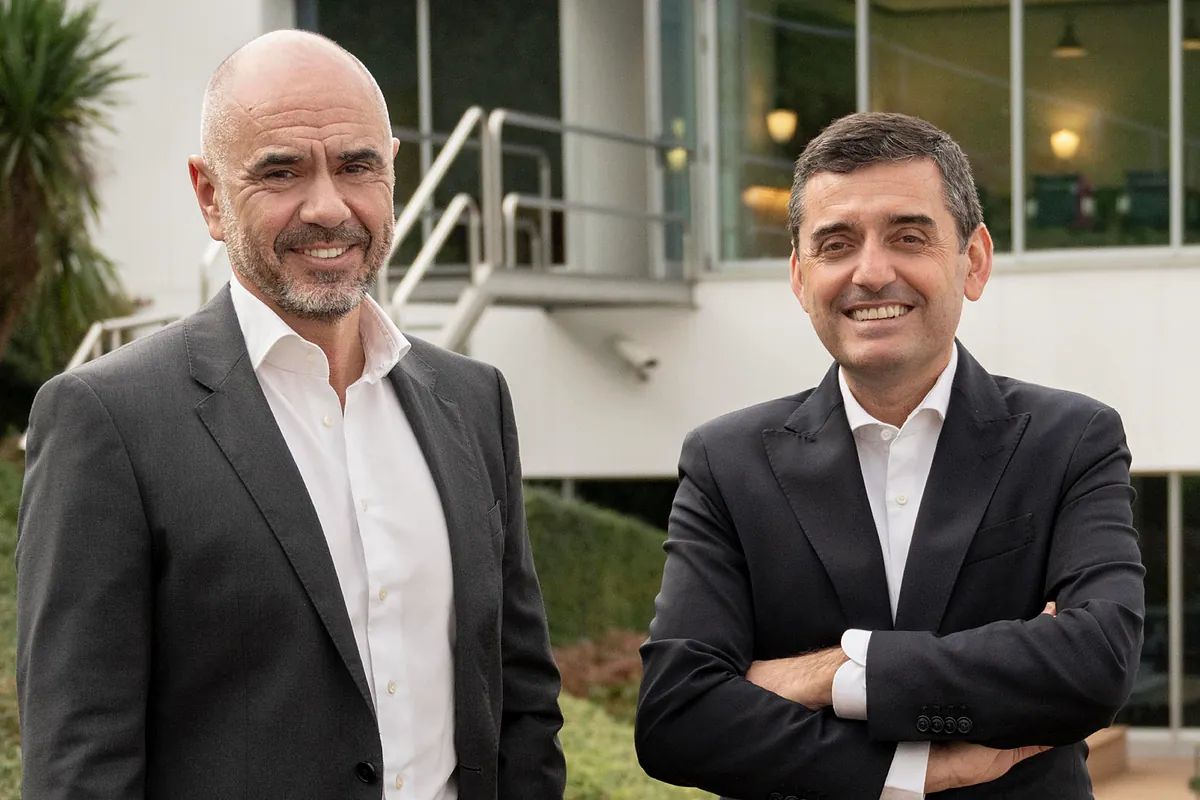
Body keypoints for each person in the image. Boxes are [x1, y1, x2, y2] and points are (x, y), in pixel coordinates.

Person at [16, 30, 565, 800]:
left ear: (393, 172)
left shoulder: (474, 402)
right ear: (210, 195)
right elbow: (80, 764)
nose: (329, 207)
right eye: (281, 171)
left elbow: (522, 699)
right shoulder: (106, 420)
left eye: (357, 166)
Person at [635, 112, 1144, 799]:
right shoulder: (726, 463)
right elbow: (676, 720)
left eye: (908, 237)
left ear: (974, 261)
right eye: (836, 244)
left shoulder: (1071, 439)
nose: (871, 273)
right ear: (799, 277)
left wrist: (832, 673)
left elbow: (1096, 667)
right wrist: (918, 770)